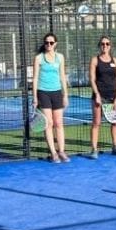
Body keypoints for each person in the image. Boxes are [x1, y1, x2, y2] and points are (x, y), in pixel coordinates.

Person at [30, 33, 69, 162]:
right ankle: (53, 153)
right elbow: (35, 78)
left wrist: (65, 95)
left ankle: (61, 151)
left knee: (59, 123)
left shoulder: (60, 57)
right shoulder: (38, 58)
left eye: (51, 42)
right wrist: (35, 97)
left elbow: (62, 76)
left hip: (57, 92)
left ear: (55, 44)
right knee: (49, 123)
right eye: (46, 42)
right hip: (43, 92)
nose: (49, 45)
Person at [88, 36, 116, 158]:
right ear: (100, 46)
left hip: (113, 96)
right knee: (96, 123)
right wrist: (97, 95)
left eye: (107, 44)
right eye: (102, 44)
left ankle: (115, 147)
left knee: (115, 122)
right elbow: (92, 79)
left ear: (110, 46)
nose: (105, 46)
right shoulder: (95, 60)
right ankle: (94, 150)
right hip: (99, 96)